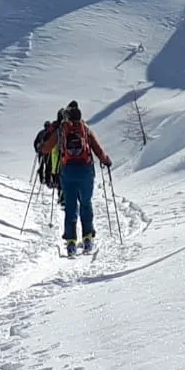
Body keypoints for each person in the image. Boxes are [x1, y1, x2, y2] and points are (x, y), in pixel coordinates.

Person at [39, 100, 110, 255]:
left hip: (68, 172)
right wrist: (106, 160)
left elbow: (46, 148)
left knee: (71, 206)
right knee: (86, 203)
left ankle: (71, 243)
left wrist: (41, 146)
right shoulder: (85, 129)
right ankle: (88, 239)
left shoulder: (62, 131)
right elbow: (98, 149)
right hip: (85, 171)